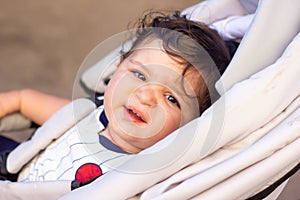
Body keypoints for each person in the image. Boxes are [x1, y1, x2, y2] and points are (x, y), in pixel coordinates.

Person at [0, 11, 230, 189]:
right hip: (14, 170)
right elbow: (24, 100)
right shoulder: (91, 115)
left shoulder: (141, 176)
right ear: (117, 68)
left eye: (171, 98)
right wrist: (12, 101)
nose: (146, 96)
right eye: (139, 75)